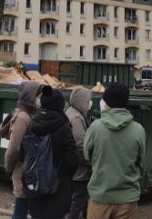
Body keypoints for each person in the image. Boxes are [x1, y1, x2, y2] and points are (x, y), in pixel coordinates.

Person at [84, 83, 145, 219]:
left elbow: (87, 156)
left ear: (105, 102)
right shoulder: (138, 129)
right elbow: (140, 162)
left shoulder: (95, 128)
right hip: (127, 200)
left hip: (100, 198)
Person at [22, 86, 78, 219]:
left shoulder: (32, 123)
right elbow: (72, 161)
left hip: (36, 187)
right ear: (59, 105)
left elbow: (22, 154)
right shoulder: (64, 127)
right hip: (57, 189)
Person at [5, 81, 42, 219]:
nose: (39, 98)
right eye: (38, 95)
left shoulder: (31, 114)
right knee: (20, 212)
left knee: (23, 211)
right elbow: (13, 149)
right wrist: (8, 168)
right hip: (23, 173)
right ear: (30, 96)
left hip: (29, 173)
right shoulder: (22, 117)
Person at [65, 86, 93, 219]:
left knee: (74, 202)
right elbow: (81, 146)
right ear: (81, 101)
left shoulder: (71, 112)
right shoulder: (76, 118)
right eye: (88, 101)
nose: (90, 104)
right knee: (77, 203)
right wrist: (91, 163)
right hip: (79, 172)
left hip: (73, 170)